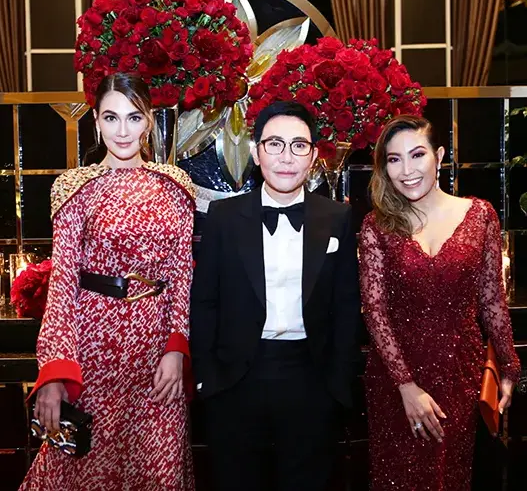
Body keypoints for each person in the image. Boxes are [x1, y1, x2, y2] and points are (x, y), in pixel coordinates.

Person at [20, 73, 195, 490]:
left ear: (148, 120)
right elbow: (63, 283)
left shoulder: (174, 184)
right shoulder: (74, 187)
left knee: (157, 469)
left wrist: (176, 347)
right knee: (87, 470)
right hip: (93, 347)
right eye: (111, 118)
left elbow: (181, 274)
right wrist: (55, 371)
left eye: (134, 117)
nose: (123, 131)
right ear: (96, 121)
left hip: (155, 352)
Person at [190, 101, 362, 491]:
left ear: (313, 156)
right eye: (275, 144)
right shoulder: (224, 217)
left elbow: (346, 306)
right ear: (256, 152)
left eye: (299, 145)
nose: (286, 157)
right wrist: (207, 380)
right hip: (236, 381)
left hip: (311, 378)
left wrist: (337, 383)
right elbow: (204, 302)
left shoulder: (336, 217)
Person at [359, 114, 521, 490]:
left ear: (440, 156)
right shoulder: (376, 225)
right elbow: (375, 311)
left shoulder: (479, 215)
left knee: (451, 476)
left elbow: (492, 300)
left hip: (460, 375)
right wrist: (405, 386)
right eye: (394, 159)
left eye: (417, 155)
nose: (407, 170)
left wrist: (510, 366)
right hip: (394, 380)